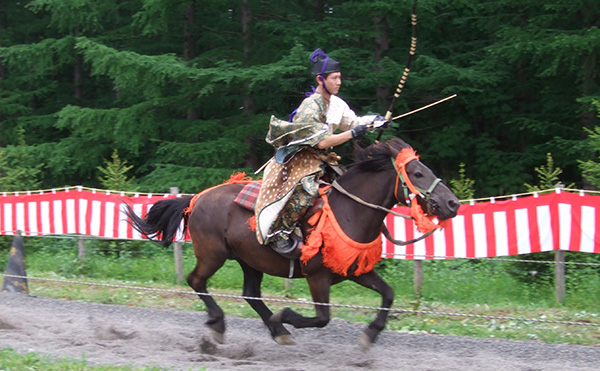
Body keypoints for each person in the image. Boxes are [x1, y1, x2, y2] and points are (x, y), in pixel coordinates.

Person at [254, 48, 388, 259]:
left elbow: (352, 122)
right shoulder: (309, 107)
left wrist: (374, 121)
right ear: (320, 79)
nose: (339, 82)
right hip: (300, 159)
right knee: (306, 190)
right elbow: (323, 142)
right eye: (334, 78)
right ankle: (280, 233)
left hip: (322, 160)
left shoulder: (336, 103)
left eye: (340, 78)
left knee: (348, 185)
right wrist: (354, 134)